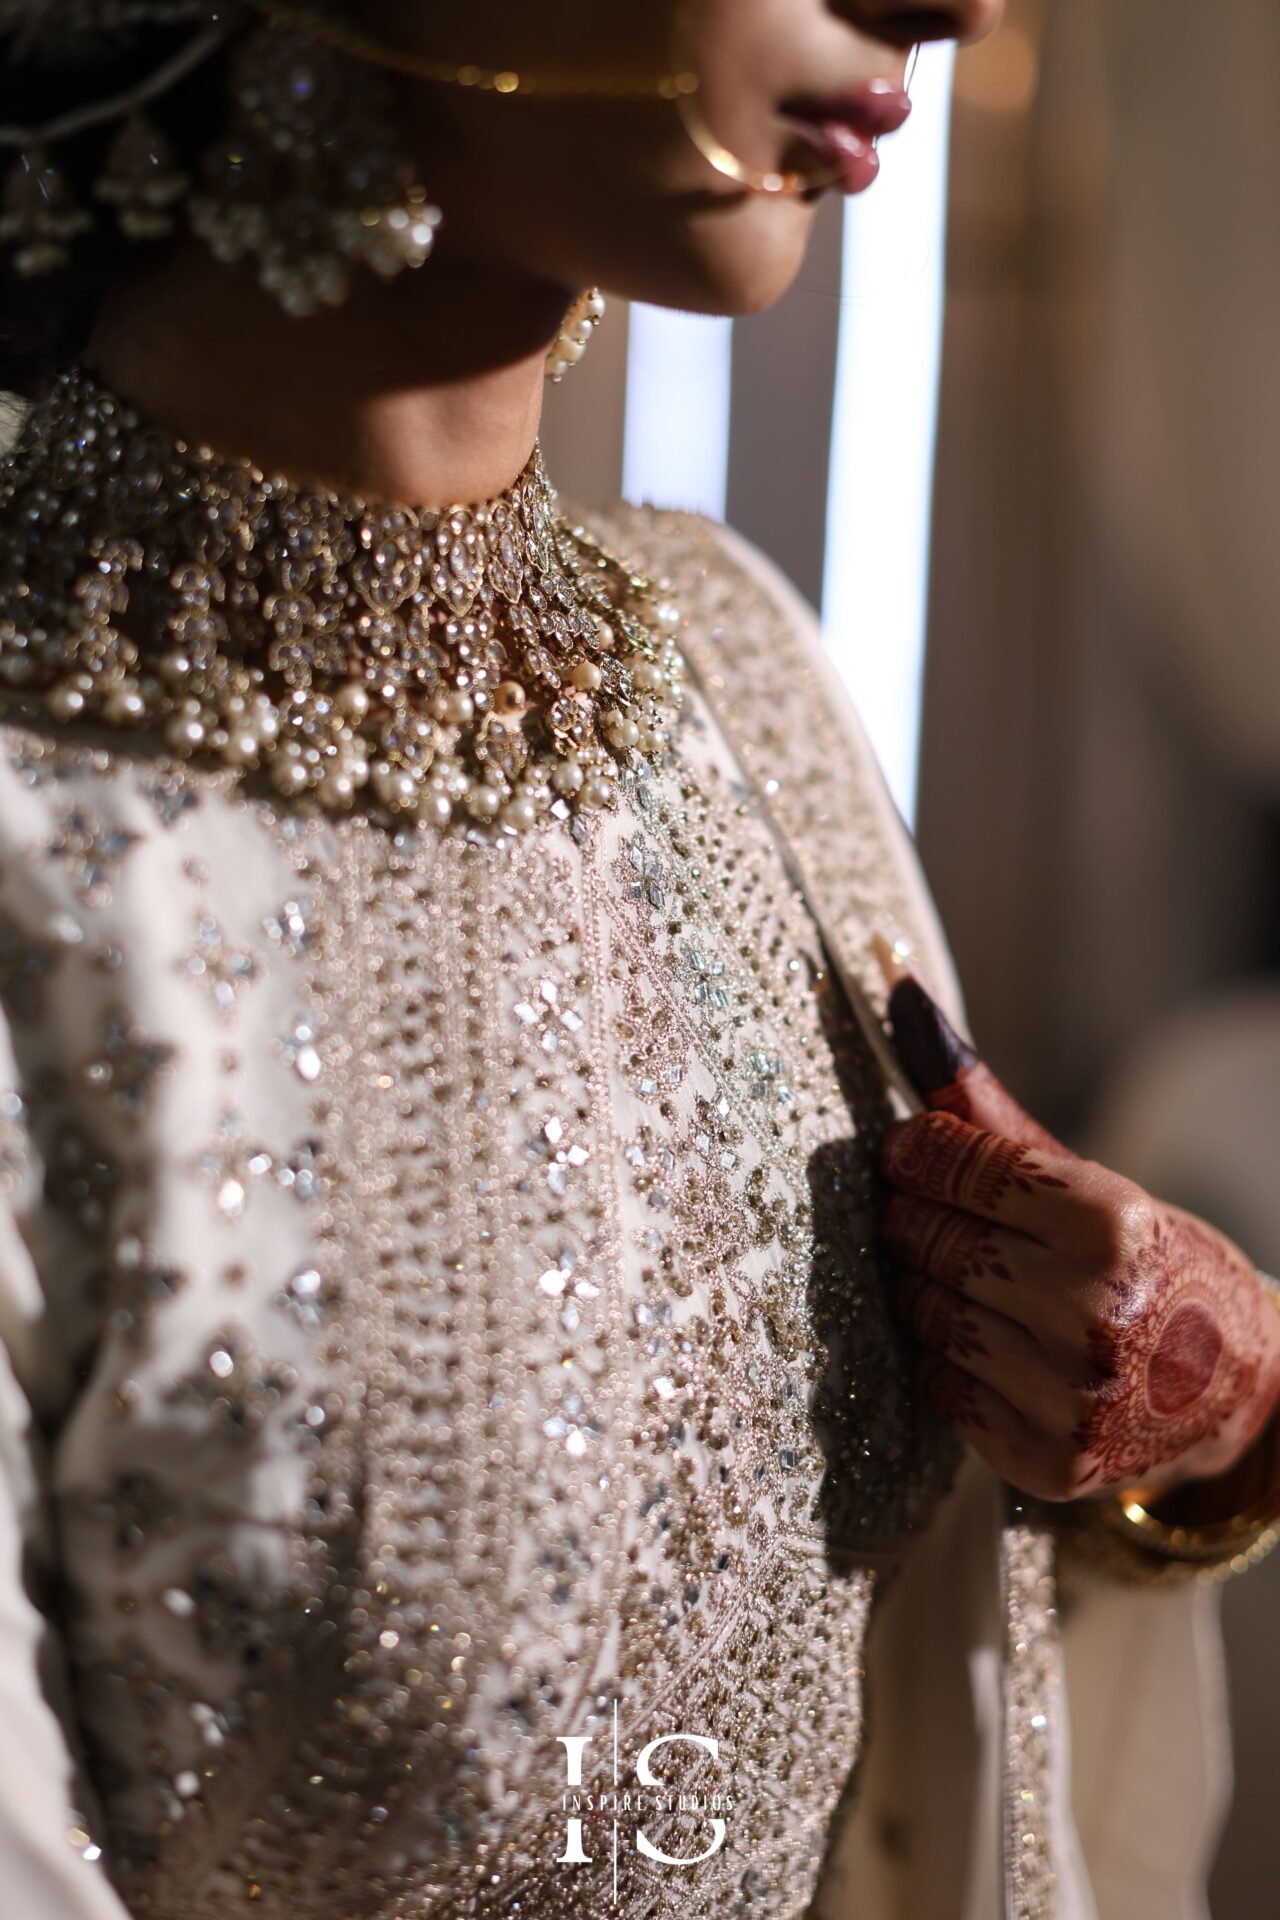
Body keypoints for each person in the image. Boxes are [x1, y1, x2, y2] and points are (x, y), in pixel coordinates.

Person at [0, 4, 1275, 1918]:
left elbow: (923, 1764)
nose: (954, 9)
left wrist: (1172, 1445)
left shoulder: (733, 671)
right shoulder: (42, 832)